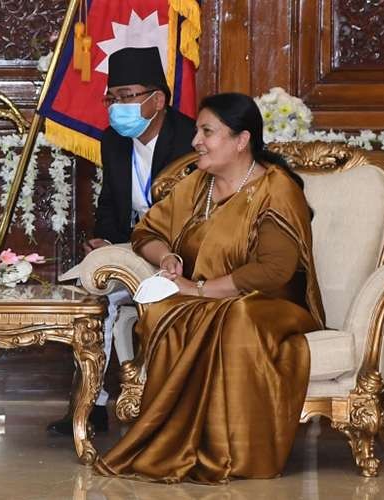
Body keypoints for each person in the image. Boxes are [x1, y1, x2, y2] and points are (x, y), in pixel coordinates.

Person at [94, 92, 324, 484]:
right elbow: (145, 232)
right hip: (202, 300)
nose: (195, 141)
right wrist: (167, 256)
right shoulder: (198, 185)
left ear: (241, 140)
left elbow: (274, 271)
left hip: (269, 306)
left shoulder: (276, 189)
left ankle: (234, 453)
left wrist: (198, 290)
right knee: (164, 311)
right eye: (198, 131)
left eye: (207, 132)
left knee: (236, 316)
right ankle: (177, 444)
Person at [49, 46, 196, 435]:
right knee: (92, 297)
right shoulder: (113, 140)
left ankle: (162, 405)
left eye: (127, 96)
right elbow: (110, 202)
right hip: (130, 248)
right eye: (112, 98)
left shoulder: (190, 138)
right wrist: (104, 242)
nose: (117, 108)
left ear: (157, 100)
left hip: (181, 251)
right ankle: (90, 404)